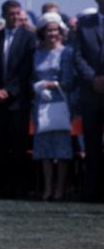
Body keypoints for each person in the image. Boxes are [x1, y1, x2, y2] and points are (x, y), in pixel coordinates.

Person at [0, 0, 36, 198]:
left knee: (18, 145)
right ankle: (1, 187)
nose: (14, 17)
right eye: (11, 14)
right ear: (4, 15)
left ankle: (19, 187)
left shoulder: (29, 38)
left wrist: (9, 91)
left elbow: (26, 70)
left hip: (17, 101)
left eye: (17, 13)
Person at [31, 12, 75, 200]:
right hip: (41, 103)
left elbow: (69, 80)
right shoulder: (37, 53)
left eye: (55, 30)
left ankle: (60, 188)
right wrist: (37, 87)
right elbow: (33, 76)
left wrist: (49, 84)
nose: (52, 34)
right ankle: (48, 188)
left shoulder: (67, 52)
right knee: (45, 150)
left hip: (60, 102)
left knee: (61, 149)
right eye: (49, 30)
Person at [73, 0, 104, 201]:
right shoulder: (84, 25)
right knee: (91, 144)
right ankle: (91, 190)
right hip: (92, 92)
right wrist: (93, 78)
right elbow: (77, 56)